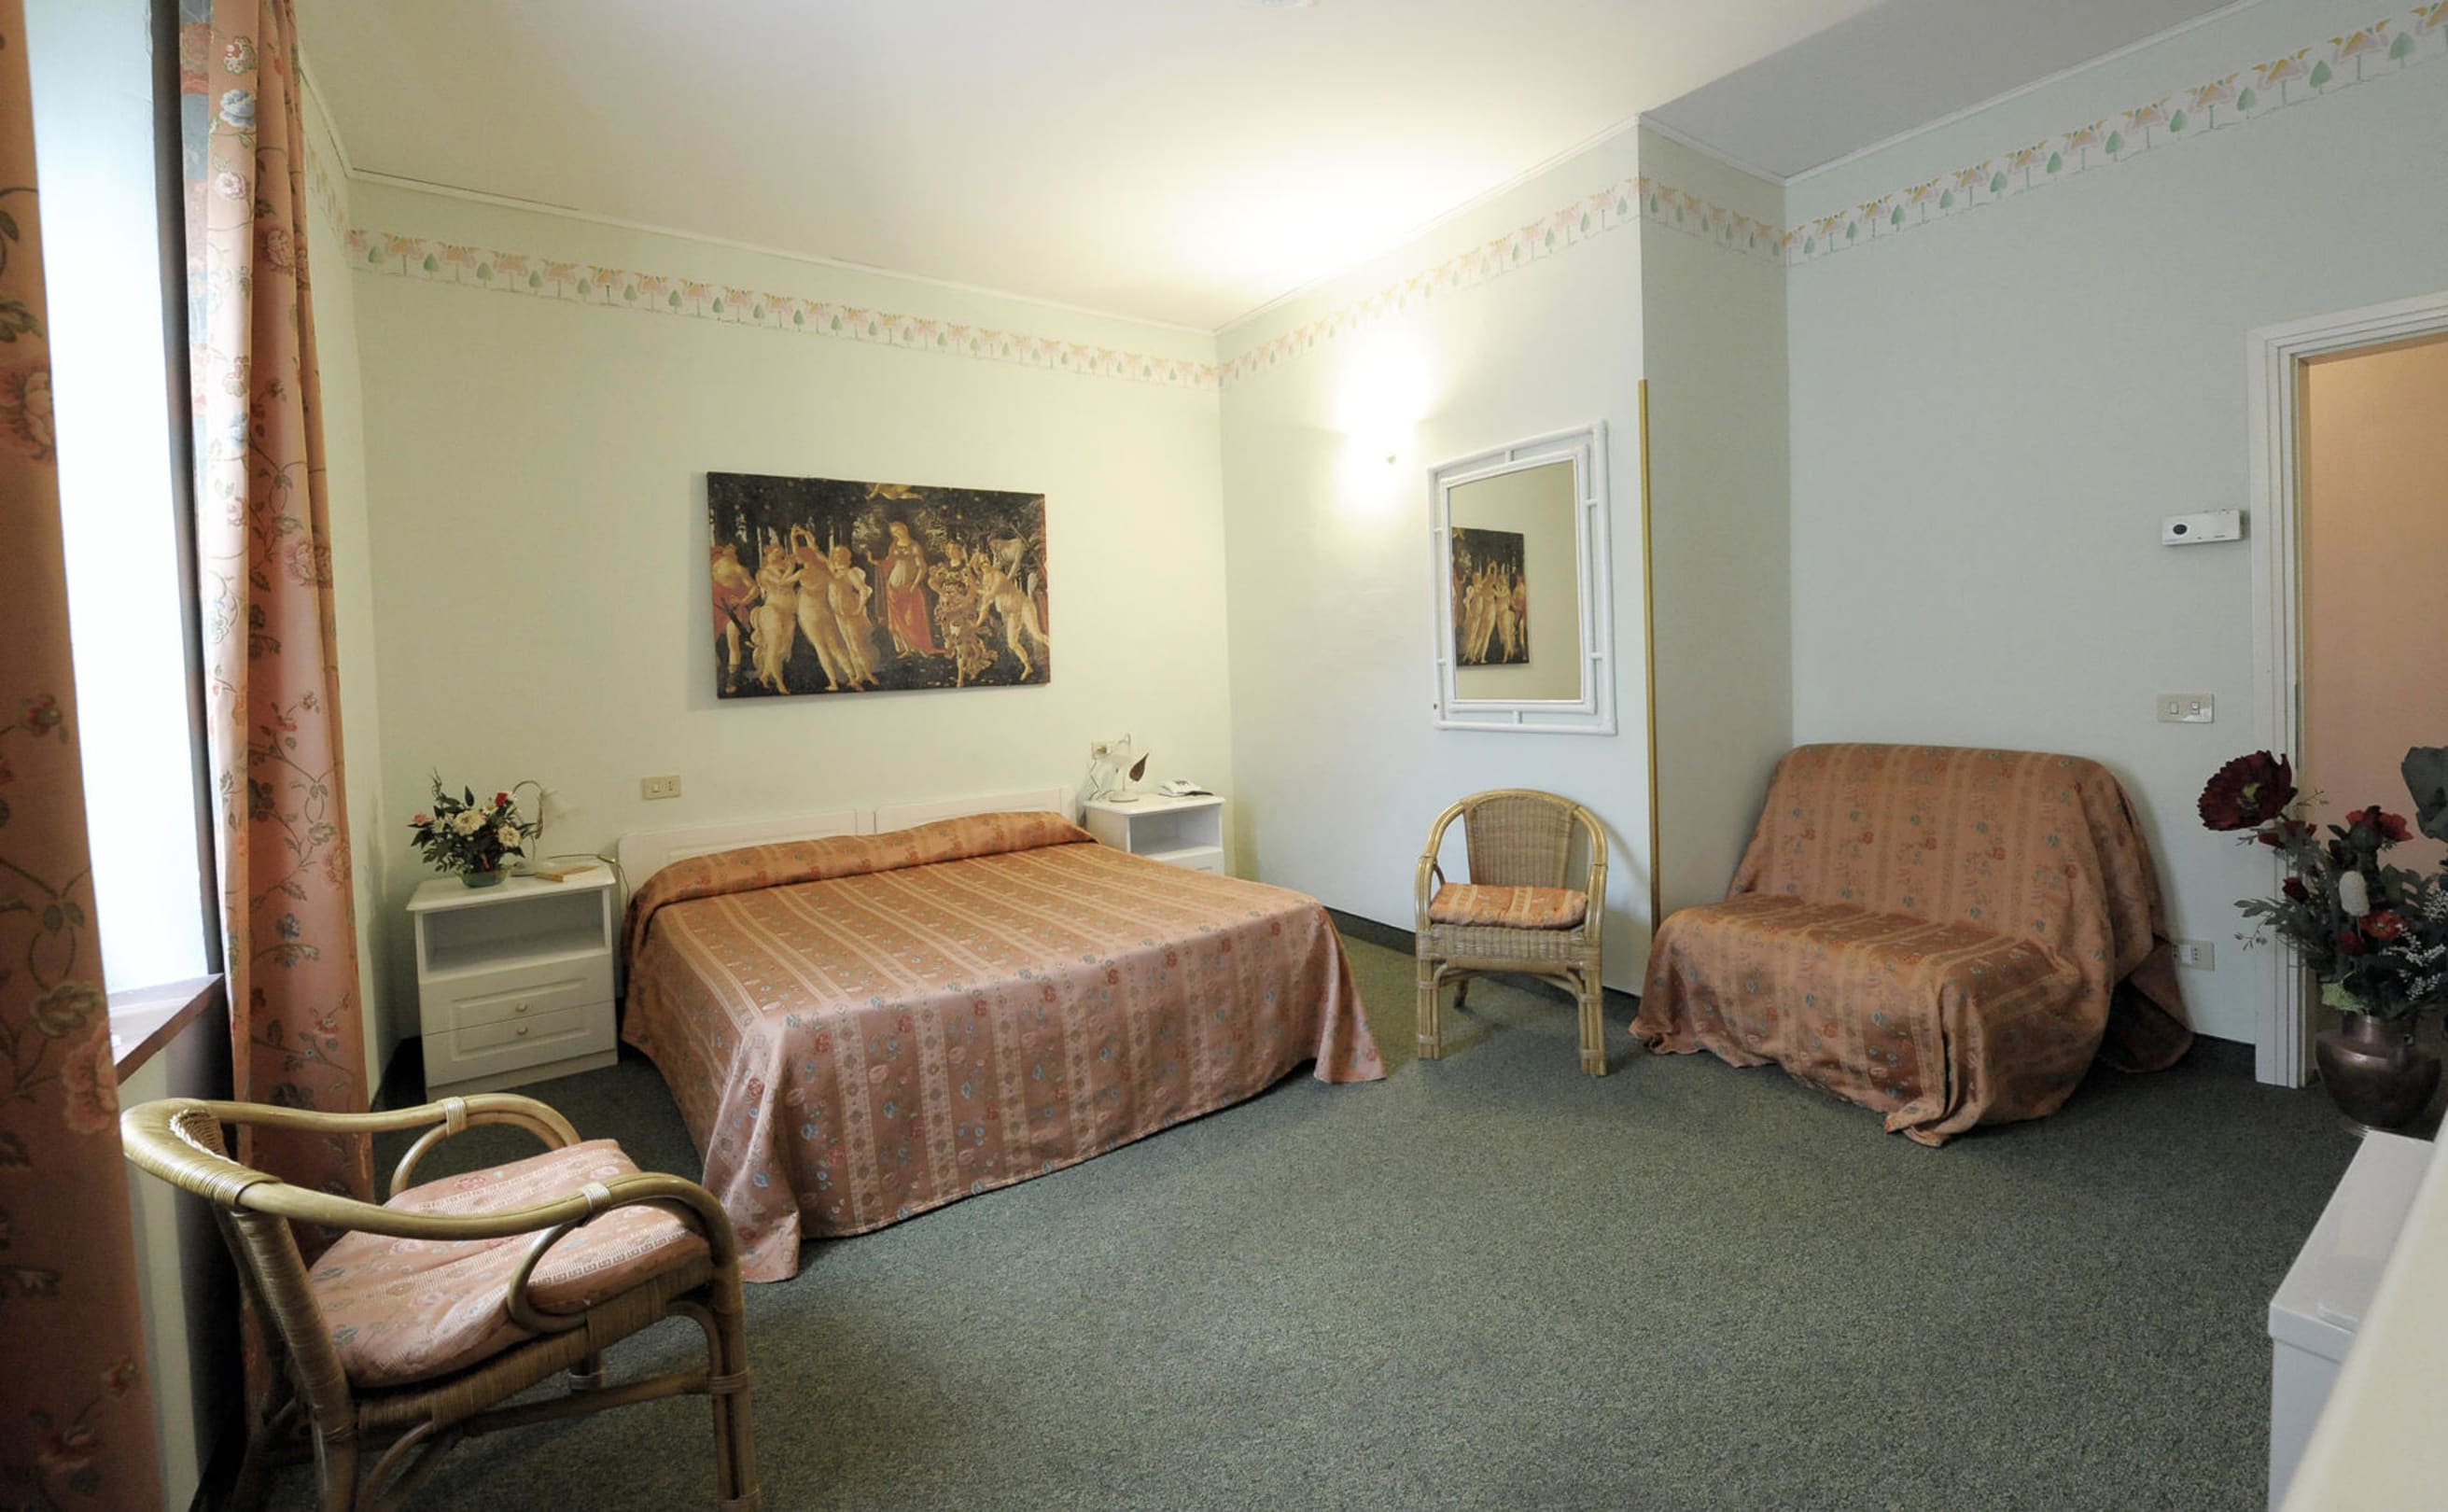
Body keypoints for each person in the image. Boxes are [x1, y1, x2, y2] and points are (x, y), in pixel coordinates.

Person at [789, 525, 856, 693]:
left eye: (797, 557)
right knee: (835, 647)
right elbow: (814, 551)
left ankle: (833, 682)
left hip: (809, 613)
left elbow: (782, 583)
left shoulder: (801, 574)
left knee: (820, 647)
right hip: (824, 611)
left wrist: (789, 566)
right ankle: (852, 677)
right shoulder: (825, 571)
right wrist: (800, 537)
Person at [874, 519, 939, 658]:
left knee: (913, 619)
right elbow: (889, 563)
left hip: (909, 586)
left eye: (898, 530)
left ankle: (920, 647)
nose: (896, 534)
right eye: (893, 532)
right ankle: (906, 648)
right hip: (892, 587)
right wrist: (877, 563)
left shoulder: (914, 546)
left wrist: (914, 584)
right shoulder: (894, 545)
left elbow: (922, 567)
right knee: (897, 620)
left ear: (905, 529)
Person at [747, 538, 803, 694]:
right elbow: (781, 583)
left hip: (788, 612)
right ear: (767, 554)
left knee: (782, 648)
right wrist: (792, 568)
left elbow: (797, 558)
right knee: (774, 645)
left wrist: (793, 540)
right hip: (772, 611)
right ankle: (779, 683)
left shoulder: (785, 567)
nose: (778, 555)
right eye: (774, 552)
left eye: (780, 553)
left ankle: (765, 676)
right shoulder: (764, 572)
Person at [829, 544, 881, 688]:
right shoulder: (834, 574)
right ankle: (859, 674)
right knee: (849, 645)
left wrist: (859, 609)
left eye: (840, 556)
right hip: (838, 614)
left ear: (846, 558)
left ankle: (868, 674)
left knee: (856, 645)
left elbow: (863, 590)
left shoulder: (850, 573)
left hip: (850, 612)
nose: (837, 559)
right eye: (835, 556)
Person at [710, 541, 757, 692]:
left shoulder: (739, 569)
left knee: (733, 644)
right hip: (716, 608)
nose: (727, 547)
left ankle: (732, 680)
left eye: (731, 547)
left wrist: (743, 601)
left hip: (732, 611)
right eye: (727, 546)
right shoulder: (715, 562)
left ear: (736, 553)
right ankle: (716, 672)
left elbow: (754, 589)